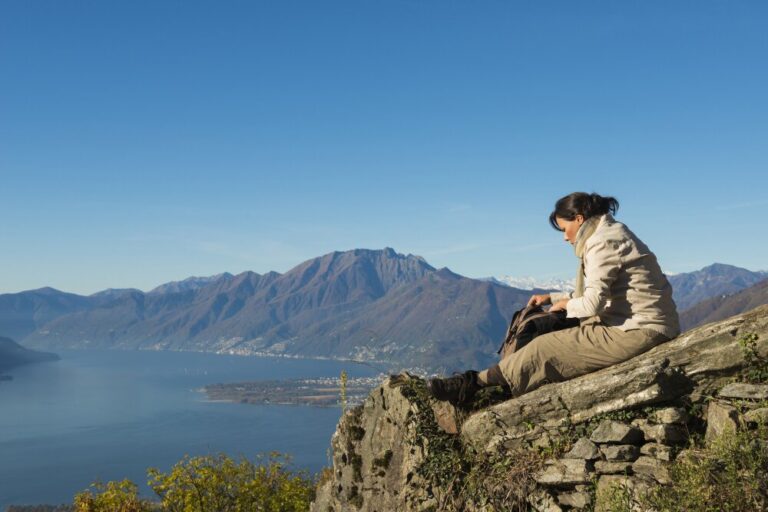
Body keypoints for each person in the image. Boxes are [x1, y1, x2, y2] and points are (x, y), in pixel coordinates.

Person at [428, 192, 680, 406]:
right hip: (637, 322)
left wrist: (567, 304)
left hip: (638, 330)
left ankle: (472, 385)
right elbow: (602, 293)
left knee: (543, 347)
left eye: (565, 229)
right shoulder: (609, 233)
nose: (564, 237)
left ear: (579, 219)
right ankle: (501, 380)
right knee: (547, 327)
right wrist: (554, 298)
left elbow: (592, 304)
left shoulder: (602, 243)